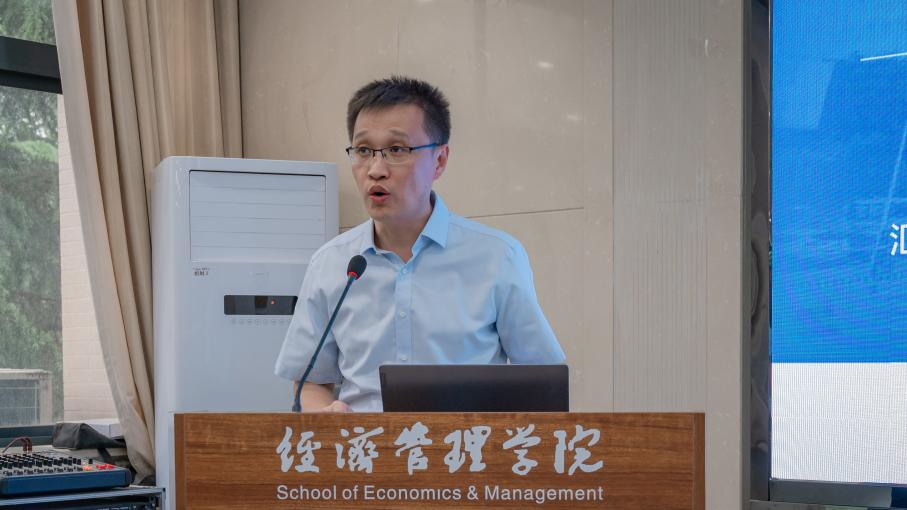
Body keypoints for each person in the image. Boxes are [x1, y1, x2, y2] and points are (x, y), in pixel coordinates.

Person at [275, 76, 565, 412]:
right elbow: (310, 382)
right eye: (364, 150)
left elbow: (543, 381)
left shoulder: (497, 257)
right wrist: (325, 417)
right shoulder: (331, 263)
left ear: (439, 160)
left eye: (397, 150)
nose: (376, 170)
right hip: (363, 446)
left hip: (463, 444)